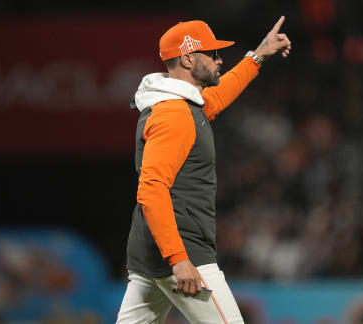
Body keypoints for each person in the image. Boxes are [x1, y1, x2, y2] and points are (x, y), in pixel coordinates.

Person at [116, 17, 292, 324]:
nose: (220, 59)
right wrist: (179, 260)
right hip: (183, 256)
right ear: (187, 58)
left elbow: (219, 95)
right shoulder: (174, 115)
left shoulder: (182, 106)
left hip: (151, 256)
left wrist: (259, 54)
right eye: (212, 54)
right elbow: (151, 189)